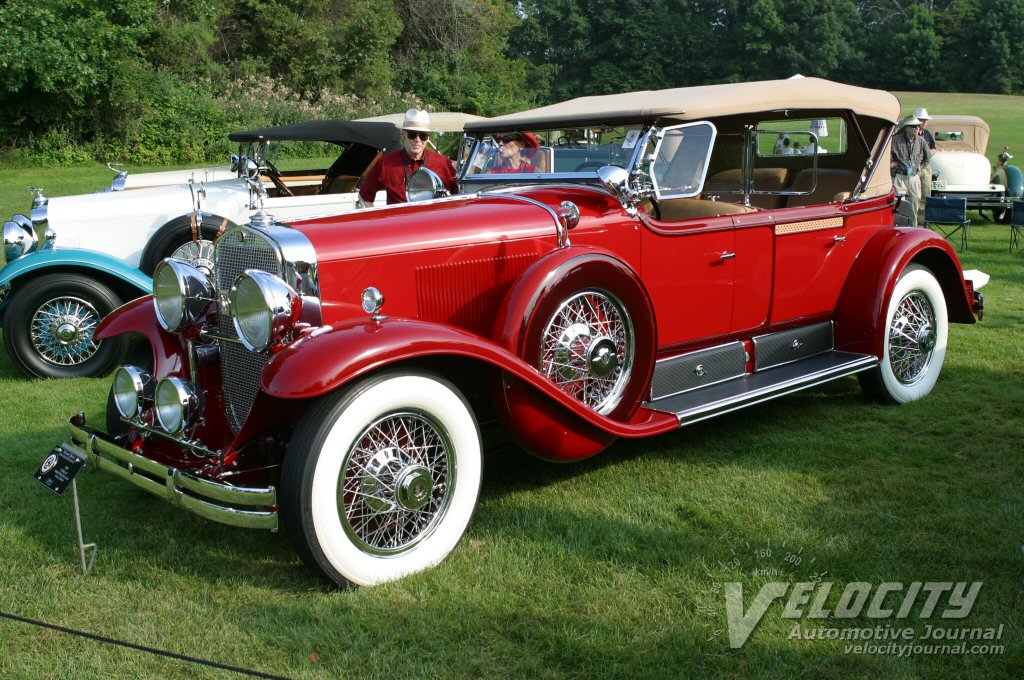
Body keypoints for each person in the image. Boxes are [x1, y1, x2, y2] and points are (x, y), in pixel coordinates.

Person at [358, 109, 458, 206]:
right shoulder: (385, 163)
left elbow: (459, 195)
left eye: (423, 136)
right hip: (399, 222)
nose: (417, 140)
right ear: (403, 135)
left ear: (428, 138)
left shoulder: (443, 163)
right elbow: (364, 197)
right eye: (412, 134)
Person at [890, 115, 929, 226]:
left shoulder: (921, 141)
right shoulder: (895, 140)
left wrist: (920, 167)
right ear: (906, 128)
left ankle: (914, 228)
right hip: (900, 177)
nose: (917, 128)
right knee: (900, 204)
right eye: (913, 126)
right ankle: (901, 228)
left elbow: (928, 157)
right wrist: (891, 164)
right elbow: (887, 155)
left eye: (918, 126)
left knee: (915, 202)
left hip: (913, 177)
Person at [914, 108, 937, 224]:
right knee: (914, 195)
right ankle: (912, 222)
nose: (923, 122)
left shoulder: (927, 134)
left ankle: (922, 223)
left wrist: (929, 152)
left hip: (926, 167)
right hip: (914, 167)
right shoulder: (909, 133)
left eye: (925, 120)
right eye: (921, 120)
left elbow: (934, 148)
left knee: (925, 194)